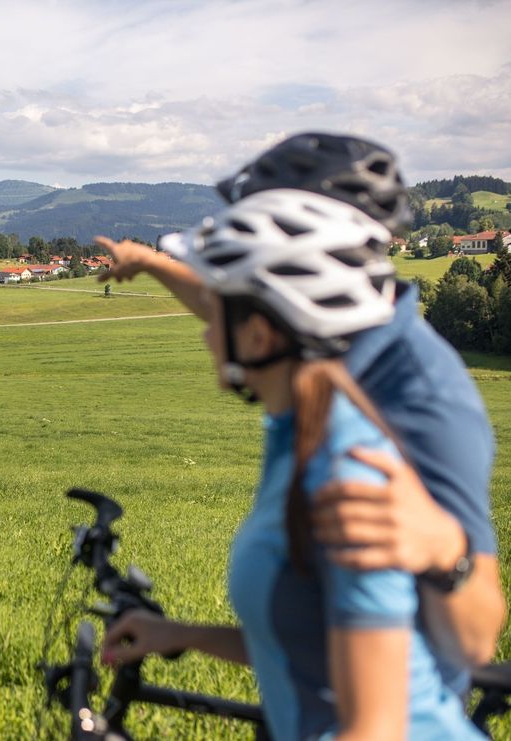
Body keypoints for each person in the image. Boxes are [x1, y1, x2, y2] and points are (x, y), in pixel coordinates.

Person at [95, 133, 504, 676]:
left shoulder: (423, 397)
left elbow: (475, 639)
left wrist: (443, 552)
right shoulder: (311, 356)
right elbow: (242, 313)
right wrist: (148, 262)